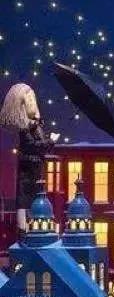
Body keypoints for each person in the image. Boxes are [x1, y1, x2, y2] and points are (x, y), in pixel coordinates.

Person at [0, 83, 60, 232]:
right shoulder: (24, 128)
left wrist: (48, 141)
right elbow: (32, 146)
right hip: (28, 169)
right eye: (29, 99)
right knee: (25, 199)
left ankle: (35, 226)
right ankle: (24, 228)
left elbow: (40, 146)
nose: (32, 103)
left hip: (36, 168)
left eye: (33, 99)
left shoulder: (36, 126)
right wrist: (50, 141)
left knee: (36, 197)